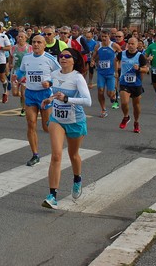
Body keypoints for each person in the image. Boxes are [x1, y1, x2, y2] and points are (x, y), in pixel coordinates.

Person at [41, 48, 92, 208]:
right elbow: (57, 93)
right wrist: (50, 99)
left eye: (67, 56)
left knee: (73, 154)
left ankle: (77, 178)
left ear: (74, 60)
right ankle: (52, 195)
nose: (62, 58)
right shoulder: (55, 74)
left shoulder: (78, 78)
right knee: (56, 155)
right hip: (57, 119)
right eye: (61, 56)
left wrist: (68, 99)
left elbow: (87, 101)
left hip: (75, 121)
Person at [12, 34, 61, 166]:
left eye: (39, 42)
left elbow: (61, 73)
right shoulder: (27, 57)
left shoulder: (49, 58)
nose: (36, 44)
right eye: (33, 42)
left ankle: (58, 147)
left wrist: (50, 83)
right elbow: (22, 71)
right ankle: (35, 154)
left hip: (44, 95)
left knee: (46, 127)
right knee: (31, 123)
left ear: (44, 45)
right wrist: (16, 76)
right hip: (30, 94)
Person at [116, 37, 149, 133]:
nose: (130, 45)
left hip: (136, 84)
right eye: (129, 44)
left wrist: (139, 69)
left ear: (137, 45)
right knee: (124, 102)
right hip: (124, 82)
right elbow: (116, 60)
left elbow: (146, 69)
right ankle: (126, 117)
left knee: (136, 105)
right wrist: (116, 71)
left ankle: (136, 122)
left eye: (132, 44)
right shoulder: (121, 54)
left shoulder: (140, 56)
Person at [91, 29, 122, 118]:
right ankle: (103, 109)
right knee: (100, 91)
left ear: (109, 36)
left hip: (111, 72)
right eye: (102, 36)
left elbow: (122, 56)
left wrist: (118, 68)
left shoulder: (114, 45)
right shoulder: (98, 46)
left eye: (106, 36)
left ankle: (113, 95)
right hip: (101, 72)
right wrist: (93, 61)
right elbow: (94, 56)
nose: (104, 38)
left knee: (110, 94)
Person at [9, 31, 32, 117]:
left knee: (23, 93)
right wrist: (10, 64)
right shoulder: (13, 48)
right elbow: (10, 57)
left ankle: (24, 109)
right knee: (15, 93)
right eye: (19, 37)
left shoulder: (30, 48)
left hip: (26, 73)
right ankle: (23, 98)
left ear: (26, 38)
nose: (20, 38)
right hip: (15, 72)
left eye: (22, 37)